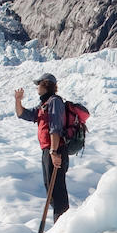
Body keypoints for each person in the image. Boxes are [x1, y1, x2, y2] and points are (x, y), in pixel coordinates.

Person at [13, 72, 70, 221]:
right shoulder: (43, 105)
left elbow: (55, 127)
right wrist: (18, 101)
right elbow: (23, 114)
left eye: (38, 84)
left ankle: (62, 225)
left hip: (55, 150)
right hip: (48, 150)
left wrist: (54, 151)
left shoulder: (54, 102)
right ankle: (59, 223)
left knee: (57, 190)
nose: (37, 87)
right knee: (51, 190)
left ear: (45, 84)